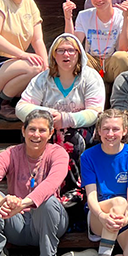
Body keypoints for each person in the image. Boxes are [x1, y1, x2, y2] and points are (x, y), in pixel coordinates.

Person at [57, 109, 128, 256]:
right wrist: (103, 216)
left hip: (125, 215)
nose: (110, 134)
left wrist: (124, 219)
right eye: (105, 129)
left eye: (115, 129)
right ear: (98, 130)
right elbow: (91, 197)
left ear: (124, 131)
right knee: (118, 202)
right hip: (99, 214)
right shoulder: (89, 156)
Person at [0, 109, 68, 256]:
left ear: (50, 134)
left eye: (42, 130)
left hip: (49, 222)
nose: (36, 135)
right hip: (16, 222)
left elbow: (52, 183)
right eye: (32, 129)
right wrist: (2, 201)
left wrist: (23, 203)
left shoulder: (58, 153)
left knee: (47, 200)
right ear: (23, 131)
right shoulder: (10, 154)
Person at [16, 33, 105, 205]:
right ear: (53, 55)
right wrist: (47, 116)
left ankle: (72, 190)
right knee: (34, 135)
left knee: (69, 139)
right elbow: (21, 107)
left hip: (79, 127)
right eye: (61, 50)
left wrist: (66, 119)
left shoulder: (90, 77)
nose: (66, 55)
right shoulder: (43, 79)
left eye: (71, 50)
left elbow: (95, 111)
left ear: (78, 54)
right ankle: (35, 187)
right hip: (48, 127)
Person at [64, 0, 128, 87]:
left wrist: (126, 18)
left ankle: (120, 91)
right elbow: (72, 44)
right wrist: (68, 18)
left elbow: (124, 48)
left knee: (122, 57)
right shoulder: (84, 15)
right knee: (77, 57)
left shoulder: (123, 15)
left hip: (112, 61)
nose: (98, 0)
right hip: (93, 62)